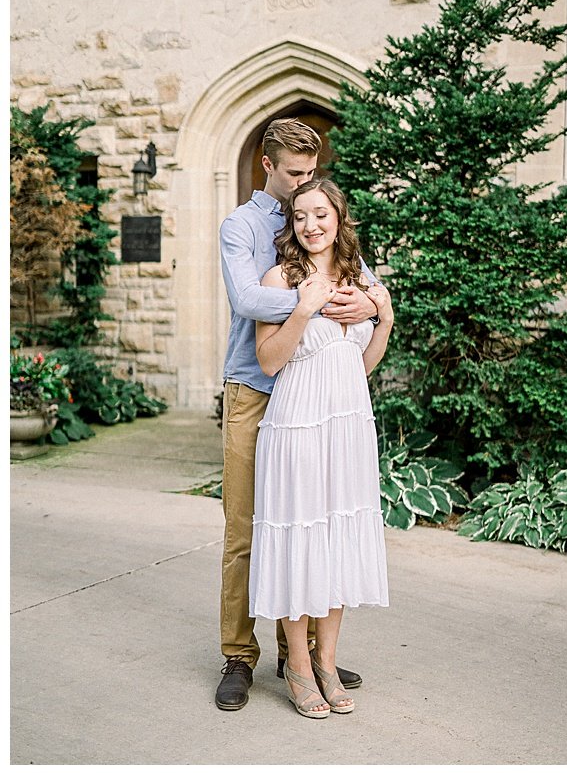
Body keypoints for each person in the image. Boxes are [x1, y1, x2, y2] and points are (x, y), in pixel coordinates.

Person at [215, 119, 377, 712]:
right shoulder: (242, 227)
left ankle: (304, 656)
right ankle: (239, 655)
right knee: (247, 529)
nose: (303, 185)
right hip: (256, 388)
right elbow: (247, 300)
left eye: (311, 175)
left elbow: (366, 284)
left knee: (314, 517)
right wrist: (324, 301)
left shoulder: (313, 213)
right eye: (293, 174)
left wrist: (369, 300)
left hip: (320, 397)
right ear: (267, 165)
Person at [249, 177, 393, 718]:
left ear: (339, 220)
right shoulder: (279, 278)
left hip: (349, 422)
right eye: (301, 216)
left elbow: (362, 362)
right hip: (298, 424)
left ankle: (328, 662)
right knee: (301, 535)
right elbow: (268, 361)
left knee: (336, 534)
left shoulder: (358, 279)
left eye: (321, 215)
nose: (311, 226)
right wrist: (303, 308)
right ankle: (298, 669)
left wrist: (384, 317)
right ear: (291, 223)